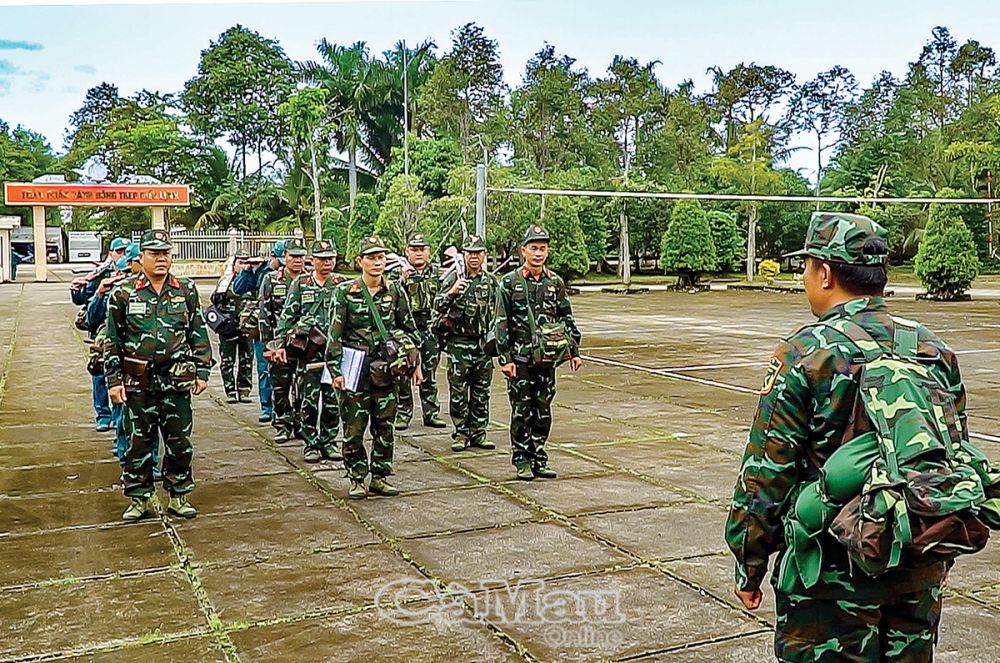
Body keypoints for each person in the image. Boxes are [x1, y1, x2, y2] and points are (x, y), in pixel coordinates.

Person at [724, 212, 971, 662]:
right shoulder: (935, 351)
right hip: (915, 561)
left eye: (806, 267)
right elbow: (949, 462)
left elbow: (765, 473)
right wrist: (941, 554)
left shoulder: (806, 353)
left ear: (824, 272)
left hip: (829, 573)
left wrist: (750, 560)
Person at [104, 229, 213, 522]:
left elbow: (197, 332)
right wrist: (113, 381)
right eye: (154, 253)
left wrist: (202, 369)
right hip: (138, 382)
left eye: (165, 253)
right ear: (141, 257)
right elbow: (112, 341)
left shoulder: (185, 290)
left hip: (176, 380)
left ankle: (179, 495)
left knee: (179, 441)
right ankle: (139, 498)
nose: (161, 258)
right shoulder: (123, 293)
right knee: (138, 442)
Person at [327, 235, 423, 499]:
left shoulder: (394, 290)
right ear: (360, 262)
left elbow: (409, 329)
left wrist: (415, 362)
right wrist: (335, 371)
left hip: (386, 369)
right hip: (355, 369)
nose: (377, 262)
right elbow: (335, 333)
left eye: (380, 257)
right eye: (371, 257)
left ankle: (380, 475)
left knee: (384, 426)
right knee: (354, 427)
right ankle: (357, 477)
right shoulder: (345, 292)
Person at [494, 225, 583, 481]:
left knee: (543, 410)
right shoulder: (510, 283)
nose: (538, 253)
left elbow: (566, 319)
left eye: (542, 248)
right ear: (523, 251)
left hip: (547, 359)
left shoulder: (555, 282)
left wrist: (574, 352)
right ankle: (521, 458)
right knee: (522, 409)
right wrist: (505, 358)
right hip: (520, 359)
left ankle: (539, 456)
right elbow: (501, 321)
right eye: (533, 248)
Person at [275, 239, 346, 463]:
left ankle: (329, 440)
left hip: (335, 353)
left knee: (333, 400)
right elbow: (287, 316)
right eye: (322, 259)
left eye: (331, 258)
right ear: (312, 260)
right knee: (309, 400)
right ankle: (311, 443)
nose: (327, 263)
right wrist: (280, 344)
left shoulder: (341, 284)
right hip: (309, 353)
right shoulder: (301, 283)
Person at [434, 234, 499, 451]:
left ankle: (479, 432)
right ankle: (461, 432)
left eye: (478, 253)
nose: (474, 257)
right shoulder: (454, 278)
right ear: (464, 255)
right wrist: (452, 293)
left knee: (481, 391)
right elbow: (437, 305)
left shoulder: (490, 282)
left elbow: (498, 312)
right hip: (459, 344)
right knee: (459, 391)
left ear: (484, 255)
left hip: (482, 344)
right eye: (470, 252)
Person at [393, 232, 447, 430]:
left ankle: (431, 412)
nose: (418, 253)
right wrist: (403, 279)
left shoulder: (438, 273)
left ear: (429, 251)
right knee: (404, 373)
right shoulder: (397, 273)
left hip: (430, 330)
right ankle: (403, 412)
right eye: (414, 249)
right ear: (407, 252)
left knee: (429, 373)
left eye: (422, 249)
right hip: (406, 329)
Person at [259, 238, 307, 443]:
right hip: (280, 344)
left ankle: (302, 424)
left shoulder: (309, 280)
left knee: (305, 388)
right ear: (284, 257)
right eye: (293, 256)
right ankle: (283, 424)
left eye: (301, 256)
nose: (297, 260)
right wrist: (269, 346)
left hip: (305, 344)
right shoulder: (271, 279)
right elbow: (264, 315)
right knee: (280, 386)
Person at [233, 242, 284, 422]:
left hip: (286, 330)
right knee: (264, 369)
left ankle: (284, 410)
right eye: (281, 260)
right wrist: (247, 269)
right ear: (273, 257)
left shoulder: (296, 276)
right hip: (263, 327)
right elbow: (237, 289)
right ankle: (266, 407)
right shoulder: (261, 272)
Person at [212, 250, 254, 403]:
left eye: (245, 262)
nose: (243, 266)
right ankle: (230, 390)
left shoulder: (252, 281)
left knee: (247, 359)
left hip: (247, 327)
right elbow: (214, 301)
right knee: (227, 360)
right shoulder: (225, 281)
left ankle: (244, 390)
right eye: (240, 262)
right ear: (234, 264)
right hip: (228, 327)